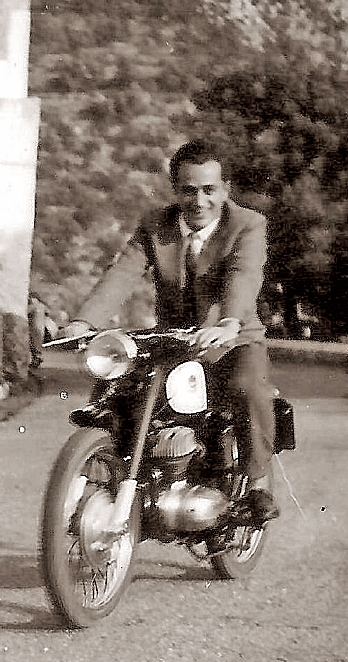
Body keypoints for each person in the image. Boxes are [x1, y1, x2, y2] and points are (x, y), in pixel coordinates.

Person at [62, 140, 279, 522]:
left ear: (225, 189)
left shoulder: (247, 225)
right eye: (189, 190)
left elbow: (243, 276)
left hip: (233, 338)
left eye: (209, 190)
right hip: (173, 341)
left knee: (248, 388)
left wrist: (229, 322)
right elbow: (122, 273)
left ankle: (257, 483)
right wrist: (85, 322)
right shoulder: (156, 226)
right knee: (116, 392)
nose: (199, 200)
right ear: (175, 190)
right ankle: (115, 472)